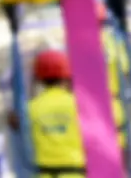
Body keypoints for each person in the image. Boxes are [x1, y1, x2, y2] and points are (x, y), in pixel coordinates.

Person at [19, 49, 85, 177]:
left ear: (38, 78)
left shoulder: (30, 108)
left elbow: (23, 136)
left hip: (44, 173)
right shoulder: (79, 104)